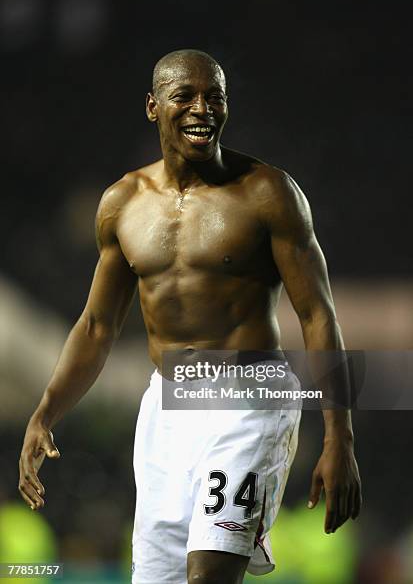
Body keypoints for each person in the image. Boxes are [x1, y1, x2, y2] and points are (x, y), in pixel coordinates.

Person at [18, 49, 362, 584]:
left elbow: (318, 314)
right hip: (167, 406)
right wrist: (45, 412)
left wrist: (339, 437)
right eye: (185, 96)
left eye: (215, 97)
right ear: (154, 107)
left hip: (251, 401)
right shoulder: (122, 203)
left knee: (208, 576)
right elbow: (96, 326)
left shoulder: (268, 193)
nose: (202, 108)